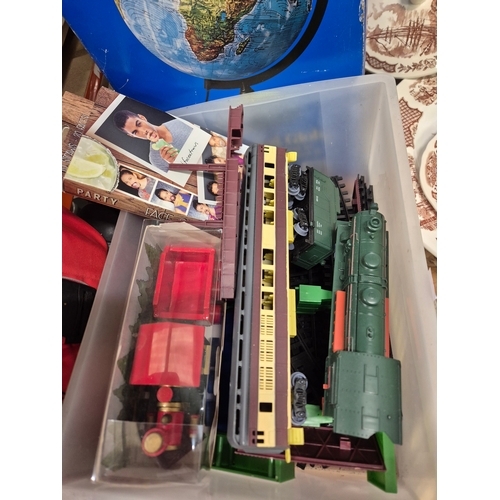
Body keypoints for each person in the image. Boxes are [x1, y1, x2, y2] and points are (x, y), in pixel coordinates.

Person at [113, 110, 194, 172]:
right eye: (135, 132)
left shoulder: (181, 122)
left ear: (142, 117)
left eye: (139, 124)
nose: (143, 131)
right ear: (132, 136)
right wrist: (175, 164)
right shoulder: (155, 160)